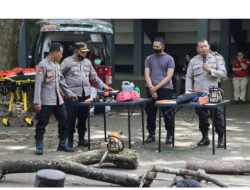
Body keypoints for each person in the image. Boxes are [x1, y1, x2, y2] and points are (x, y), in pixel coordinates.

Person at [61, 42, 112, 149]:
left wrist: (104, 87)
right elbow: (59, 77)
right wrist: (64, 91)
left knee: (83, 118)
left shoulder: (88, 62)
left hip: (86, 95)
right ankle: (69, 142)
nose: (84, 54)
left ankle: (81, 140)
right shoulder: (67, 61)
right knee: (70, 118)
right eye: (82, 51)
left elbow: (94, 77)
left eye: (85, 52)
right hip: (72, 95)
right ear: (76, 51)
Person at [33, 42, 77, 155]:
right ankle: (39, 145)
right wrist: (37, 101)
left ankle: (62, 144)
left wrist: (70, 94)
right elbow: (38, 84)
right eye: (60, 54)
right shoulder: (43, 65)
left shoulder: (57, 65)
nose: (61, 56)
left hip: (58, 99)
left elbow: (62, 82)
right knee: (42, 123)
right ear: (54, 52)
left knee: (64, 121)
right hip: (46, 100)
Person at [185, 39, 227, 148]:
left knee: (217, 116)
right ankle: (205, 138)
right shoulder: (193, 61)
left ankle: (221, 138)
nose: (203, 49)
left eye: (205, 46)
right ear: (197, 49)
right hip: (199, 93)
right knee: (202, 117)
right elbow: (189, 77)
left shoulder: (217, 58)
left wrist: (210, 70)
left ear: (208, 47)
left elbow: (224, 73)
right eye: (201, 47)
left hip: (214, 92)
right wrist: (188, 91)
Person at [144, 37, 175, 144]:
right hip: (150, 87)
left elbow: (169, 76)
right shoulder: (149, 58)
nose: (155, 48)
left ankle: (170, 134)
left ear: (163, 46)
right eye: (154, 46)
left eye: (158, 46)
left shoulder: (169, 59)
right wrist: (151, 87)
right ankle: (151, 134)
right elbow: (147, 74)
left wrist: (156, 88)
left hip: (165, 88)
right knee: (150, 113)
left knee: (167, 113)